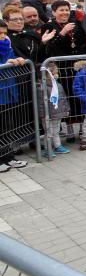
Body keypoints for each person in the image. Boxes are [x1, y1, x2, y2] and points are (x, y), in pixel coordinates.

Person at [42, 0, 86, 139]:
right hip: (61, 67)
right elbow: (50, 49)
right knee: (66, 97)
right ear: (54, 12)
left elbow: (83, 43)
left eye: (67, 10)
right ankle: (69, 128)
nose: (64, 13)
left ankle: (82, 127)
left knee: (79, 96)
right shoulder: (48, 26)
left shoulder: (76, 24)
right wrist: (62, 33)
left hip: (77, 66)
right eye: (61, 10)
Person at [0, 20, 28, 173]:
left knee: (8, 126)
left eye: (4, 33)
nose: (3, 37)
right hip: (1, 91)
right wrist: (7, 61)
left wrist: (16, 60)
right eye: (0, 34)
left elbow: (10, 60)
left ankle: (8, 157)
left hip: (9, 91)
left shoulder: (7, 45)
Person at [41, 61, 70, 156]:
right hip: (47, 115)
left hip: (58, 113)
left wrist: (66, 109)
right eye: (53, 73)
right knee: (48, 132)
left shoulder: (58, 85)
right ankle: (47, 149)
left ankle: (57, 146)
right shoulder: (42, 88)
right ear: (46, 75)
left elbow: (64, 98)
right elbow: (40, 104)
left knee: (56, 131)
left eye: (57, 72)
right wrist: (42, 115)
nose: (56, 75)